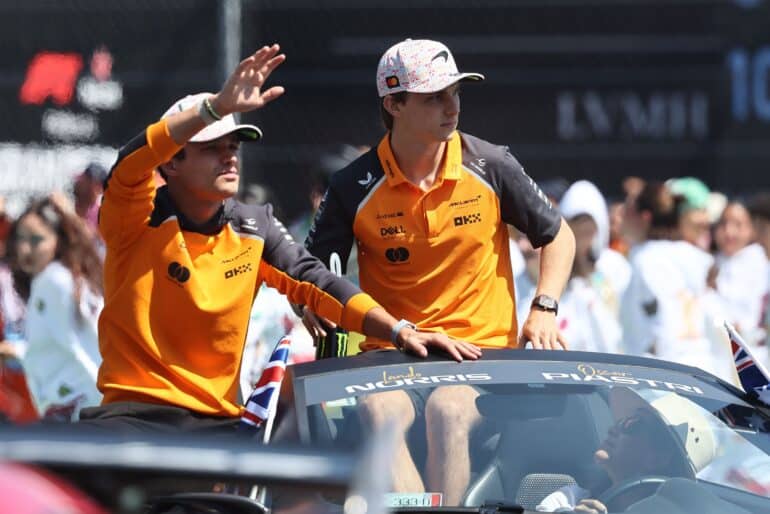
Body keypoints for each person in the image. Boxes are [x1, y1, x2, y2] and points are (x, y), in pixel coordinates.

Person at [78, 44, 479, 435]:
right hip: (133, 418)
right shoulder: (134, 218)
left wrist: (398, 330)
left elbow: (317, 280)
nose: (230, 156)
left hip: (218, 426)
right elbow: (130, 164)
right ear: (172, 162)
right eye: (212, 148)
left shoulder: (254, 226)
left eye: (233, 145)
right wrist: (213, 110)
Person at [302, 39, 575, 504]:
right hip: (392, 359)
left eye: (456, 93)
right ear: (394, 104)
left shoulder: (491, 163)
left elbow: (559, 234)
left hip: (481, 358)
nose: (452, 107)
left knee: (448, 409)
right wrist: (312, 303)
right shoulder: (352, 185)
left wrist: (544, 306)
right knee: (379, 412)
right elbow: (312, 273)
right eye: (435, 97)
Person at [536, 387, 717, 513]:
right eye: (623, 420)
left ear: (659, 458)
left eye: (633, 424)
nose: (613, 428)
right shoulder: (569, 500)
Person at [7, 197, 104, 420]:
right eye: (20, 238)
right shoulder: (64, 279)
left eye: (36, 239)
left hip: (77, 408)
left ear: (59, 241)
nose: (25, 248)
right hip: (76, 407)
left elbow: (88, 348)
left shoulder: (54, 281)